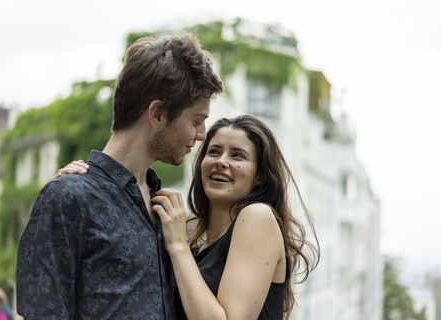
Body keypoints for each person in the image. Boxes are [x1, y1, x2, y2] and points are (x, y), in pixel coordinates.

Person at [16, 32, 223, 320]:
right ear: (158, 114)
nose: (201, 135)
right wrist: (64, 192)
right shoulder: (68, 197)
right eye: (196, 121)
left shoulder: (168, 211)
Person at [58, 115, 319, 319]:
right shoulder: (190, 235)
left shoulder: (257, 217)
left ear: (260, 176)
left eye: (237, 155)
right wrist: (73, 188)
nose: (221, 161)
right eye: (213, 151)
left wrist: (178, 247)